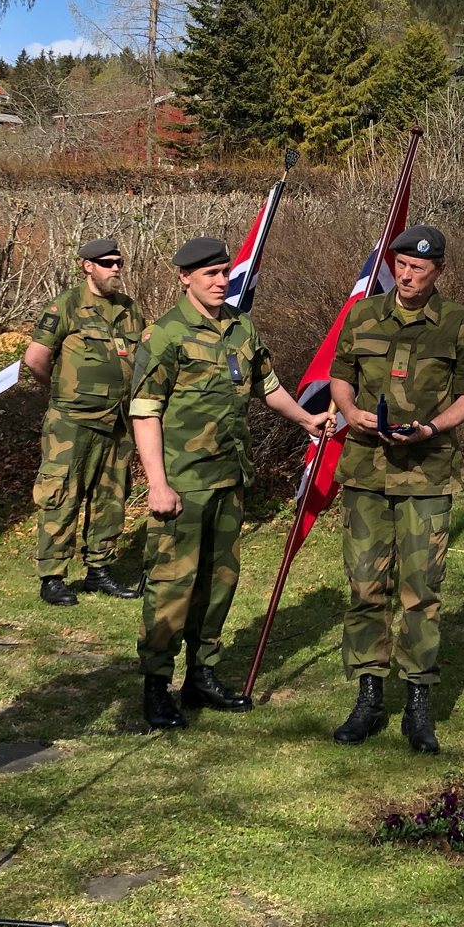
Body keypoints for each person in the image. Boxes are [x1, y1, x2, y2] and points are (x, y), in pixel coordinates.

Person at [128, 237, 333, 730]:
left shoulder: (241, 327)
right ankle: (157, 685)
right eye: (210, 276)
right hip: (182, 483)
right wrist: (157, 482)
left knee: (219, 582)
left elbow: (268, 386)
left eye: (224, 273)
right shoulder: (166, 335)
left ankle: (202, 675)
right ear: (185, 278)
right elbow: (145, 410)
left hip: (228, 479)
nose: (221, 283)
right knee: (172, 585)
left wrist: (305, 419)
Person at [328, 226, 464, 755]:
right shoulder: (363, 315)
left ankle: (419, 702)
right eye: (401, 264)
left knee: (421, 588)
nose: (407, 273)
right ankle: (369, 697)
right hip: (366, 469)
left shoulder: (457, 322)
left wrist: (433, 428)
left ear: (438, 270)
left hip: (427, 472)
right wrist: (350, 413)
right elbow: (341, 375)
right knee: (365, 586)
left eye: (419, 267)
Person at [24, 237, 145, 604]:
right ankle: (53, 576)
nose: (116, 269)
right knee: (62, 494)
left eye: (119, 263)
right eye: (107, 263)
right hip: (72, 422)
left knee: (111, 497)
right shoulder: (67, 306)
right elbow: (36, 359)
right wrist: (63, 392)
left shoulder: (129, 309)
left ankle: (99, 570)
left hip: (118, 420)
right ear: (87, 266)